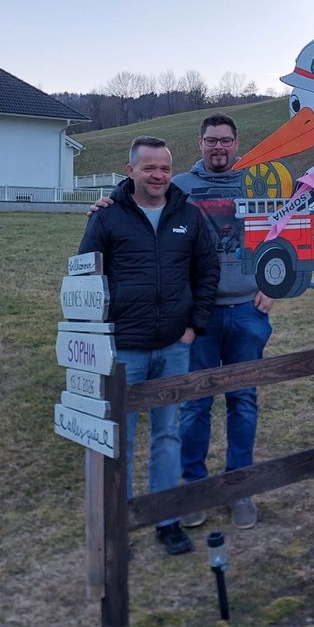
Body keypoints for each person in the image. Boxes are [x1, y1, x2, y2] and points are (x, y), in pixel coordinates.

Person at [78, 136, 218, 555]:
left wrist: (194, 327)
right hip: (124, 350)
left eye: (164, 168)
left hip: (175, 346)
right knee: (119, 438)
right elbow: (85, 275)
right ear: (131, 170)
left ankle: (167, 519)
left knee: (167, 435)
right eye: (149, 168)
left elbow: (206, 272)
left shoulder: (189, 217)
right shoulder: (106, 218)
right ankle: (117, 525)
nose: (157, 176)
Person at [171, 113, 274, 530]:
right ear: (200, 144)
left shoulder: (256, 182)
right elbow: (143, 206)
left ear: (237, 144)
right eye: (211, 140)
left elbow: (279, 232)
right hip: (200, 315)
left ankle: (239, 486)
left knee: (243, 400)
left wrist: (273, 285)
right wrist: (107, 202)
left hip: (248, 311)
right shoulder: (181, 187)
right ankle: (193, 486)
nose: (218, 148)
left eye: (226, 141)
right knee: (195, 403)